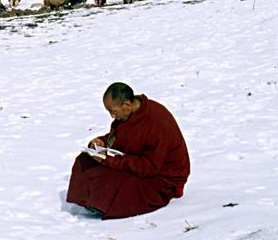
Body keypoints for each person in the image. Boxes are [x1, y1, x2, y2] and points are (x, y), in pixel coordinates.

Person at [66, 82, 190, 220]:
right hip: (139, 162)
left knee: (116, 180)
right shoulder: (129, 114)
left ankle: (101, 205)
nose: (112, 116)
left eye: (113, 111)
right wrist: (102, 141)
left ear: (126, 105)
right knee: (86, 159)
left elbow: (149, 167)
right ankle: (92, 201)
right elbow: (121, 137)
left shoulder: (156, 122)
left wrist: (109, 160)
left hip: (162, 178)